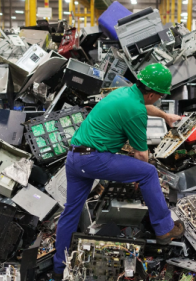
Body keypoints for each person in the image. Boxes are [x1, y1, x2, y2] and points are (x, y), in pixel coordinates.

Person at [52, 63, 186, 279]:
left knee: (71, 212)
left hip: (75, 157)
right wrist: (139, 177)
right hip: (95, 159)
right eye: (160, 96)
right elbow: (141, 155)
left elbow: (145, 106)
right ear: (152, 93)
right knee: (149, 173)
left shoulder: (125, 92)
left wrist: (165, 116)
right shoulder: (135, 112)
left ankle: (59, 269)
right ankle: (164, 229)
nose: (159, 99)